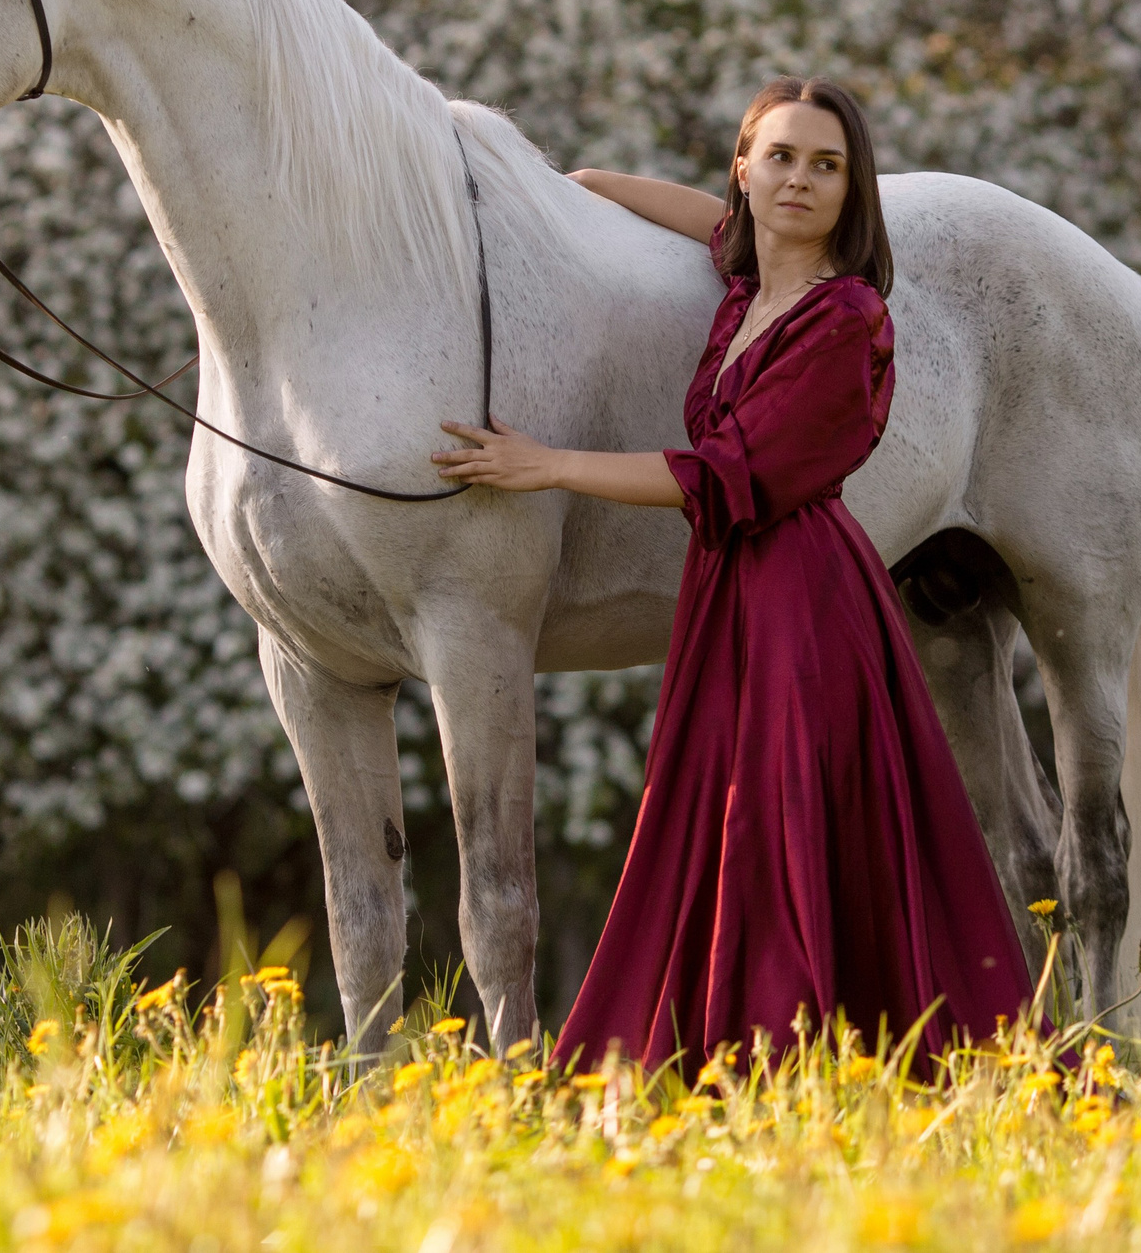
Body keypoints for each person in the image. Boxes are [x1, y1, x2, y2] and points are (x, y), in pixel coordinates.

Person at [431, 75, 1033, 1074]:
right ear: (745, 170)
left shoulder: (846, 320)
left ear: (854, 190)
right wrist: (566, 184)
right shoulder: (751, 288)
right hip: (730, 593)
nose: (800, 179)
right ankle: (729, 1047)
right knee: (722, 807)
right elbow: (705, 220)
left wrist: (542, 465)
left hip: (804, 597)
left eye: (826, 165)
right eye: (781, 156)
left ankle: (785, 1054)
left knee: (780, 811)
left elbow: (726, 476)